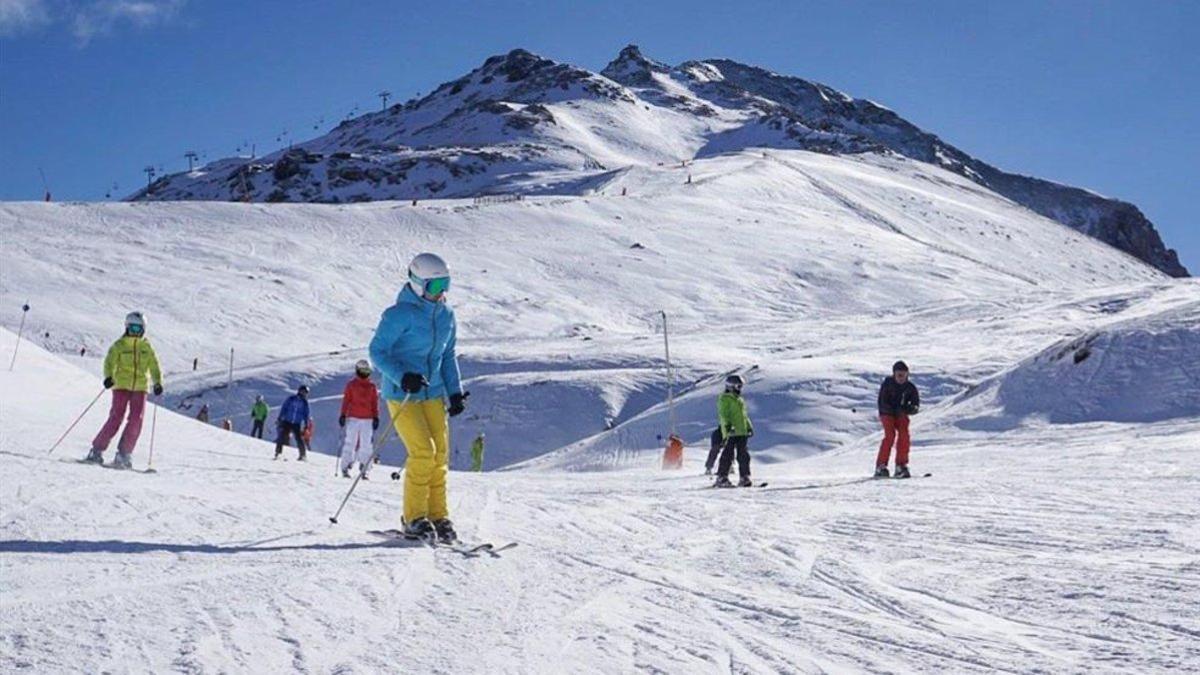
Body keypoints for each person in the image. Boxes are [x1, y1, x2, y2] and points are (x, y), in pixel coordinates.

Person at [369, 252, 467, 543]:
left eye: (446, 285)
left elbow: (447, 356)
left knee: (439, 457)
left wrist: (455, 392)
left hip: (433, 393)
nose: (442, 293)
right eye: (435, 287)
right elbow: (377, 352)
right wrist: (402, 376)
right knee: (423, 452)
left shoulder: (447, 316)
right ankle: (414, 517)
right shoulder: (398, 315)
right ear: (417, 284)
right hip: (403, 394)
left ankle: (439, 516)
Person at [84, 311, 163, 469]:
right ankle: (97, 450)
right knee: (116, 418)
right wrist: (108, 377)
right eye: (132, 328)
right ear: (126, 327)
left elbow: (154, 365)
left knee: (136, 420)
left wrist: (157, 382)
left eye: (138, 329)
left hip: (140, 387)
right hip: (121, 385)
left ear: (143, 330)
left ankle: (124, 454)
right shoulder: (119, 346)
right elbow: (109, 362)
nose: (135, 332)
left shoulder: (147, 347)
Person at [875, 360, 920, 479]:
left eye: (904, 375)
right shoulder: (887, 384)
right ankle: (881, 466)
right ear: (894, 374)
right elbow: (882, 402)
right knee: (890, 436)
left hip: (901, 414)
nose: (901, 378)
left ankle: (901, 465)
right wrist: (894, 410)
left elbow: (915, 404)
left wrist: (911, 409)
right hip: (887, 413)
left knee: (904, 435)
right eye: (899, 375)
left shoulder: (910, 388)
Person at [339, 359, 381, 478]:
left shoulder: (372, 386)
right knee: (350, 442)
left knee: (366, 444)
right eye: (362, 370)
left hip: (367, 419)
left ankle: (365, 467)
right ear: (357, 371)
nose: (364, 373)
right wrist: (343, 414)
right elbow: (346, 400)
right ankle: (346, 466)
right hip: (354, 418)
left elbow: (374, 403)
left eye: (366, 370)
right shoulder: (351, 385)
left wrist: (376, 417)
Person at [714, 374, 754, 488]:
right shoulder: (724, 399)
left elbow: (743, 416)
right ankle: (721, 477)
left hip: (742, 431)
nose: (740, 389)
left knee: (744, 455)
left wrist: (749, 426)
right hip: (731, 431)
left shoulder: (739, 400)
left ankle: (744, 477)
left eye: (741, 386)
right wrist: (727, 426)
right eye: (738, 386)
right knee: (728, 454)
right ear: (730, 386)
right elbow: (724, 414)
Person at [274, 385, 311, 461]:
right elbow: (284, 408)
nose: (304, 394)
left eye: (306, 393)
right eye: (303, 392)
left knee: (299, 439)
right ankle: (278, 453)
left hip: (296, 423)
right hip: (287, 421)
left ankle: (303, 455)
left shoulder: (305, 403)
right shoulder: (291, 399)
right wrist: (280, 418)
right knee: (281, 436)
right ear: (299, 391)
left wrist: (306, 424)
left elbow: (306, 414)